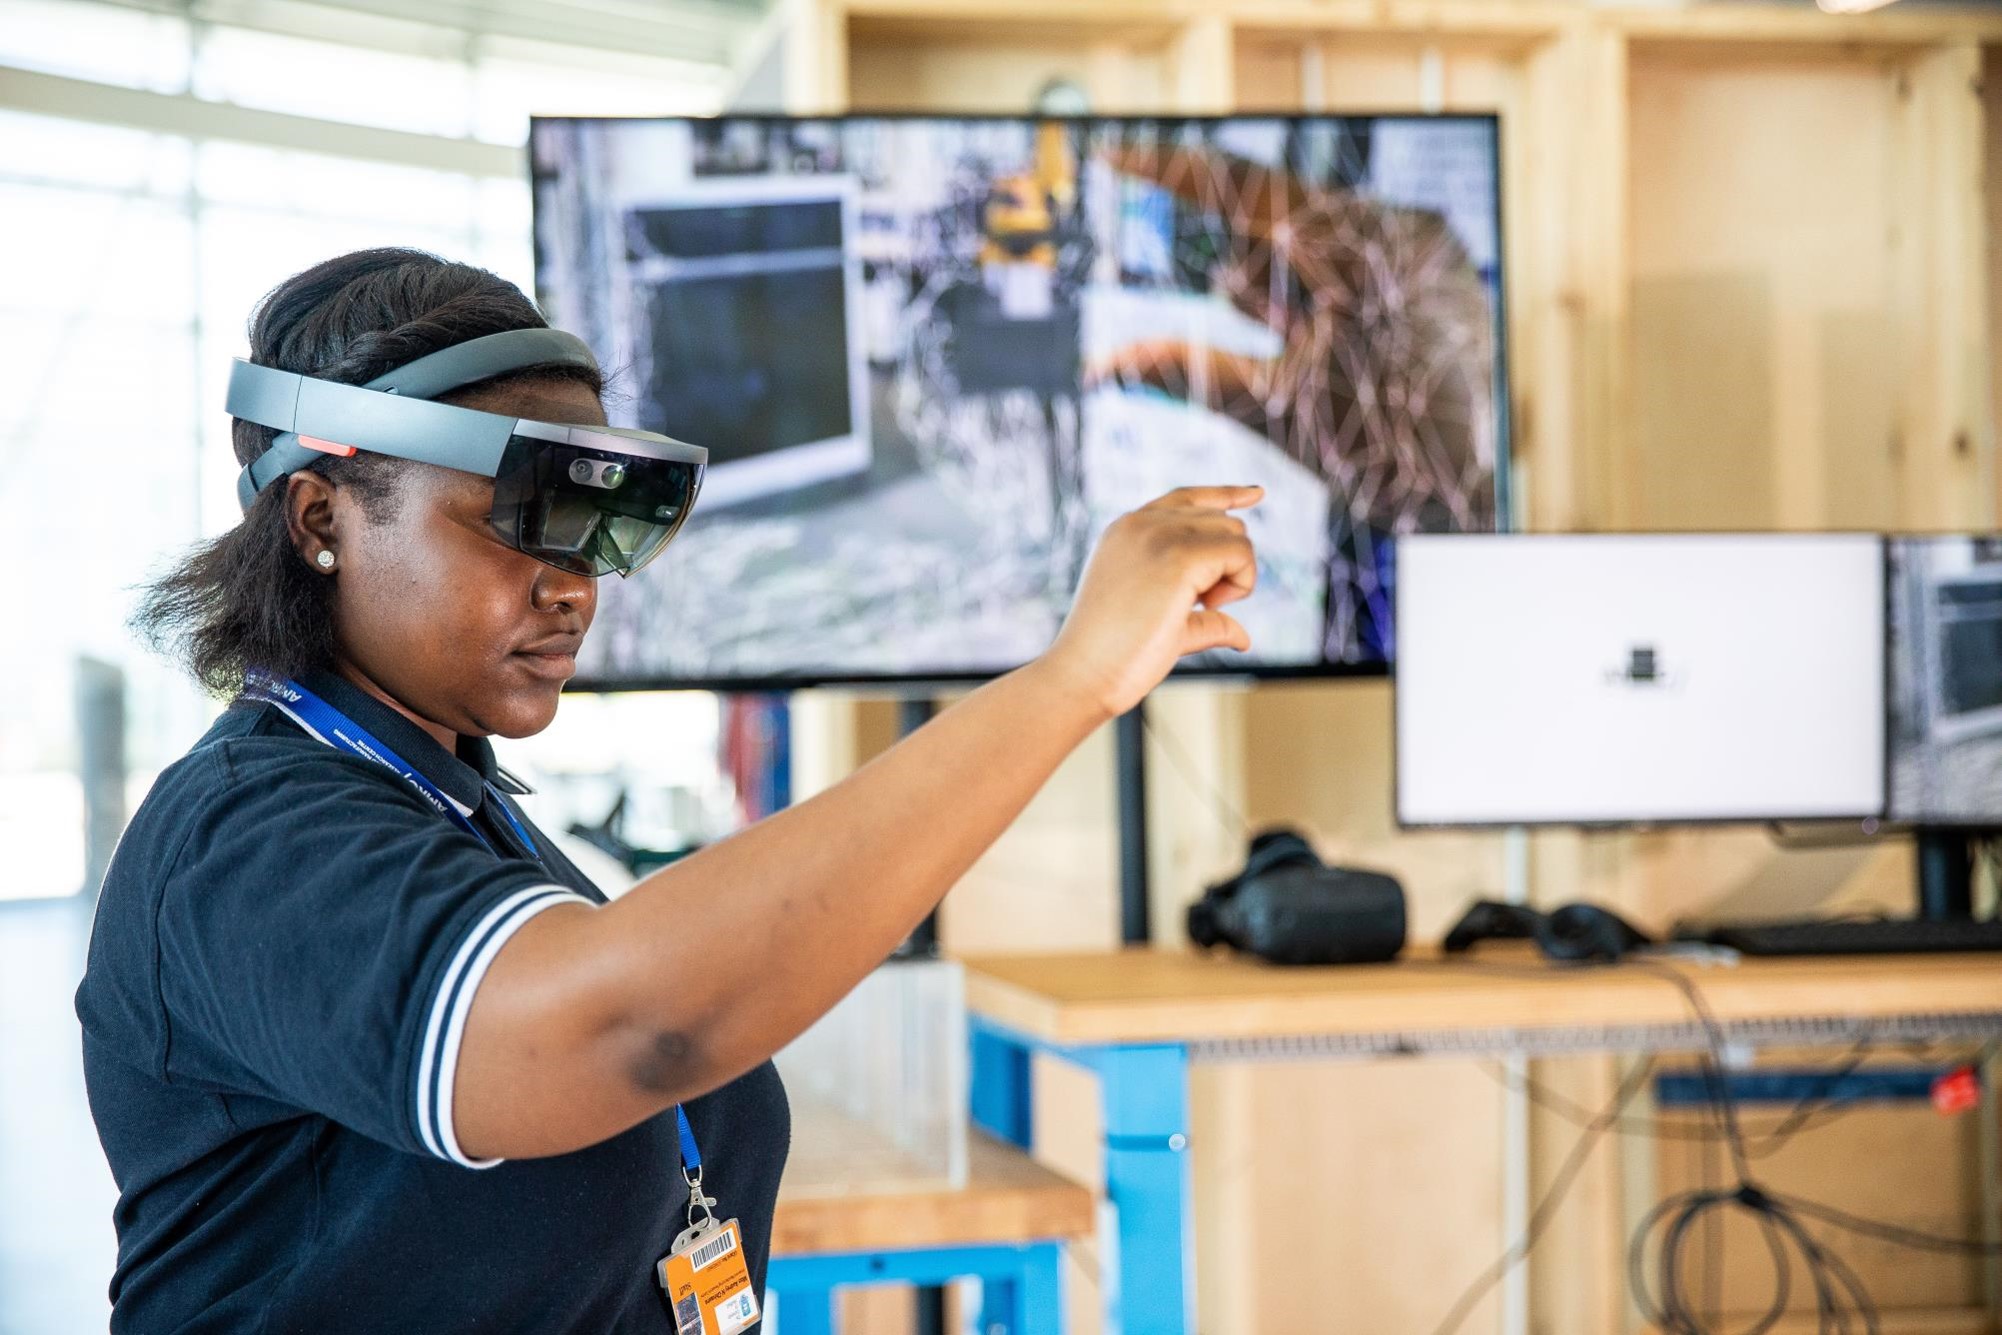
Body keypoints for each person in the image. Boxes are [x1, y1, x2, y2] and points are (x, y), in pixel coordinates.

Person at [77, 247, 1260, 1332]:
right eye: (520, 517)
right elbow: (628, 1028)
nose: (575, 585)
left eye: (600, 528)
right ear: (321, 517)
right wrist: (1070, 683)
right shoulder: (244, 840)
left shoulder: (472, 813)